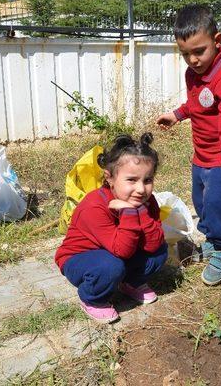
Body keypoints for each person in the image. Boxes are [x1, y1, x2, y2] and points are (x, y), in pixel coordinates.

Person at [156, 4, 221, 285]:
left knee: (217, 205)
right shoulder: (193, 74)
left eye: (199, 51)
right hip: (199, 156)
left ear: (217, 42)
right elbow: (195, 104)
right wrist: (177, 115)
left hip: (220, 157)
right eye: (185, 54)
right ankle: (214, 238)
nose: (192, 60)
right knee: (201, 203)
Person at [54, 133, 168, 323]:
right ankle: (92, 298)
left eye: (147, 180)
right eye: (131, 180)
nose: (141, 189)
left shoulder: (147, 201)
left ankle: (130, 283)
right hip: (82, 258)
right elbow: (121, 251)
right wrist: (130, 214)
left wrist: (140, 212)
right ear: (110, 178)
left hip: (117, 251)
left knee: (159, 251)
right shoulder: (94, 206)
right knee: (110, 266)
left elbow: (154, 243)